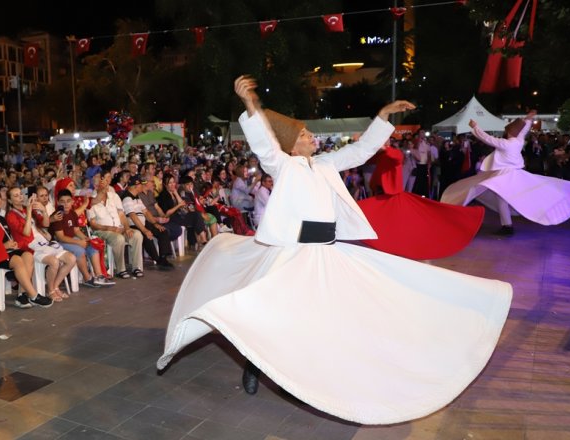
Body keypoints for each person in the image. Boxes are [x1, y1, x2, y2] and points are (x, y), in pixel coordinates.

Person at [158, 76, 513, 425]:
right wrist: (251, 105)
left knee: (328, 316)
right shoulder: (282, 165)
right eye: (303, 135)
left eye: (309, 134)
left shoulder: (326, 165)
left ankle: (316, 373)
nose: (311, 138)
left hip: (327, 252)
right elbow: (265, 145)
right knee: (279, 317)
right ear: (291, 146)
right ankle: (256, 366)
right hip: (294, 254)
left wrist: (383, 116)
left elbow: (359, 152)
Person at [441, 111, 570, 236]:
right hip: (512, 174)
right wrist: (528, 119)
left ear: (509, 132)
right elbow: (523, 131)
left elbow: (487, 138)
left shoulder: (506, 143)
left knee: (478, 189)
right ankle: (506, 225)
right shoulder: (518, 141)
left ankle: (459, 210)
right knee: (499, 196)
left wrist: (475, 127)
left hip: (504, 175)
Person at [356, 143, 485, 260]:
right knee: (369, 214)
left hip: (391, 198)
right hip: (383, 196)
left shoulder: (394, 152)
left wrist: (385, 148)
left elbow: (397, 157)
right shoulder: (381, 155)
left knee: (409, 222)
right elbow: (365, 159)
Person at [0, 187, 52, 308]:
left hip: (35, 244)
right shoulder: (10, 215)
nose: (20, 197)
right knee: (35, 257)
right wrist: (29, 212)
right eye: (15, 195)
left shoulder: (26, 209)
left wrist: (44, 211)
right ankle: (31, 294)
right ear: (9, 201)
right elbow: (26, 232)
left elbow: (46, 224)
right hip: (25, 245)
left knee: (30, 256)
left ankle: (22, 294)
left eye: (20, 194)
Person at [50, 190, 114, 288]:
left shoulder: (72, 213)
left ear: (72, 202)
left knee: (92, 246)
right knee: (79, 250)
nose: (66, 204)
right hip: (60, 243)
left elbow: (76, 230)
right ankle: (87, 278)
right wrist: (78, 242)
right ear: (58, 202)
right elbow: (61, 237)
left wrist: (86, 239)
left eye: (68, 201)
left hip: (72, 240)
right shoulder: (58, 215)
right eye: (62, 201)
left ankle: (99, 276)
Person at [86, 172, 144, 279]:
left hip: (119, 228)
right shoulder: (90, 201)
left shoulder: (114, 196)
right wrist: (109, 228)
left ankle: (137, 267)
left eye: (106, 184)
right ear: (96, 186)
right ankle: (120, 269)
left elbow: (122, 215)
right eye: (102, 184)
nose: (105, 186)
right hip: (102, 231)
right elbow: (93, 225)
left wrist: (127, 228)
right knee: (119, 239)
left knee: (137, 235)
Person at [122, 175, 174, 271]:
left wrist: (155, 223)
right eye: (141, 185)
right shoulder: (127, 198)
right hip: (133, 225)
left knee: (162, 231)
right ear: (135, 186)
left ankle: (163, 257)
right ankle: (157, 259)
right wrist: (145, 230)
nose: (143, 186)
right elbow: (133, 217)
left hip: (143, 222)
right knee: (146, 236)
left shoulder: (137, 197)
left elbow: (146, 212)